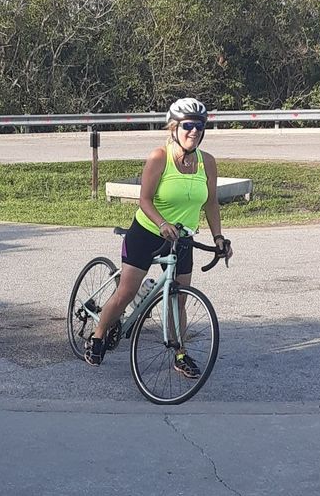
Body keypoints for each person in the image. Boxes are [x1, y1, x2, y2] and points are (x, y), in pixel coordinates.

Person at [85, 97, 233, 375]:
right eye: (188, 125)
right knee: (126, 292)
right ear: (174, 128)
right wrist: (162, 222)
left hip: (182, 238)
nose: (194, 131)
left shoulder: (208, 162)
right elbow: (145, 200)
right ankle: (98, 335)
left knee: (179, 299)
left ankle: (180, 353)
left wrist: (218, 238)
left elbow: (211, 203)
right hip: (148, 232)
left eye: (200, 126)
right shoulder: (159, 157)